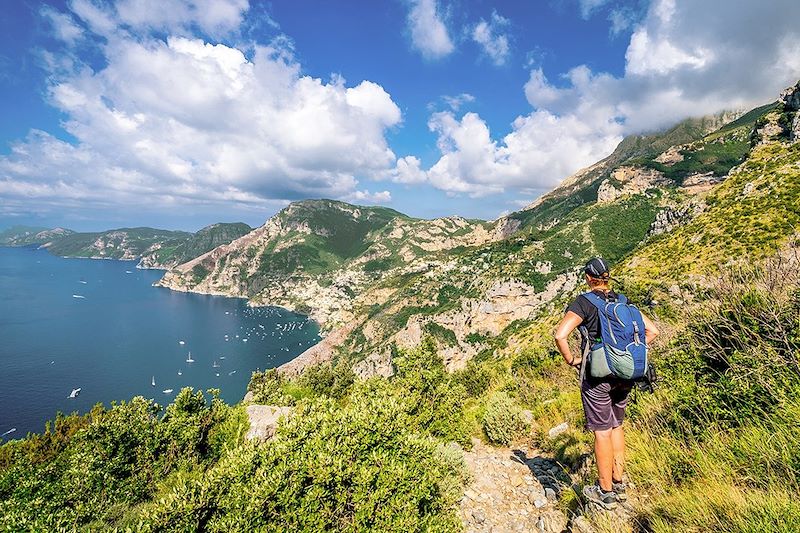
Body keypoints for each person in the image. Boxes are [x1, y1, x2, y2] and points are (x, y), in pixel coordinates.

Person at [553, 257, 659, 509]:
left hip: (597, 375)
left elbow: (560, 335)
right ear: (608, 277)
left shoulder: (584, 302)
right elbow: (652, 331)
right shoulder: (624, 301)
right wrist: (625, 355)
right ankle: (619, 480)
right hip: (626, 374)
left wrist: (572, 360)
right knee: (616, 425)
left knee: (601, 430)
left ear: (589, 278)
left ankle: (605, 490)